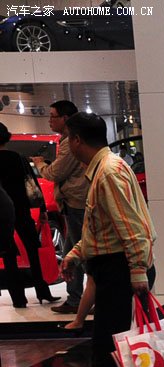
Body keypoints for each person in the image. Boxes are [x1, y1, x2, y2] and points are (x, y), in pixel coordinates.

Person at [60, 112, 155, 367]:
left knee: (109, 348)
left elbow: (131, 226)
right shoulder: (105, 168)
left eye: (67, 138)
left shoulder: (108, 172)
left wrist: (137, 271)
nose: (66, 145)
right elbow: (102, 227)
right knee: (125, 345)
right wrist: (75, 254)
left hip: (121, 269)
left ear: (77, 140)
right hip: (118, 266)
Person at [32, 100, 89, 315]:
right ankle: (76, 298)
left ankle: (85, 298)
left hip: (76, 203)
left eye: (53, 116)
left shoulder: (70, 142)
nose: (49, 120)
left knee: (81, 253)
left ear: (65, 118)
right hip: (73, 203)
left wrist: (40, 165)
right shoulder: (67, 141)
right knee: (71, 253)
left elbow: (55, 173)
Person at [0, 122, 58, 307]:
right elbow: (32, 184)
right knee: (33, 250)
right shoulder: (18, 158)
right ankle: (42, 291)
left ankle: (18, 298)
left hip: (1, 212)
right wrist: (42, 209)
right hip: (21, 208)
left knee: (8, 254)